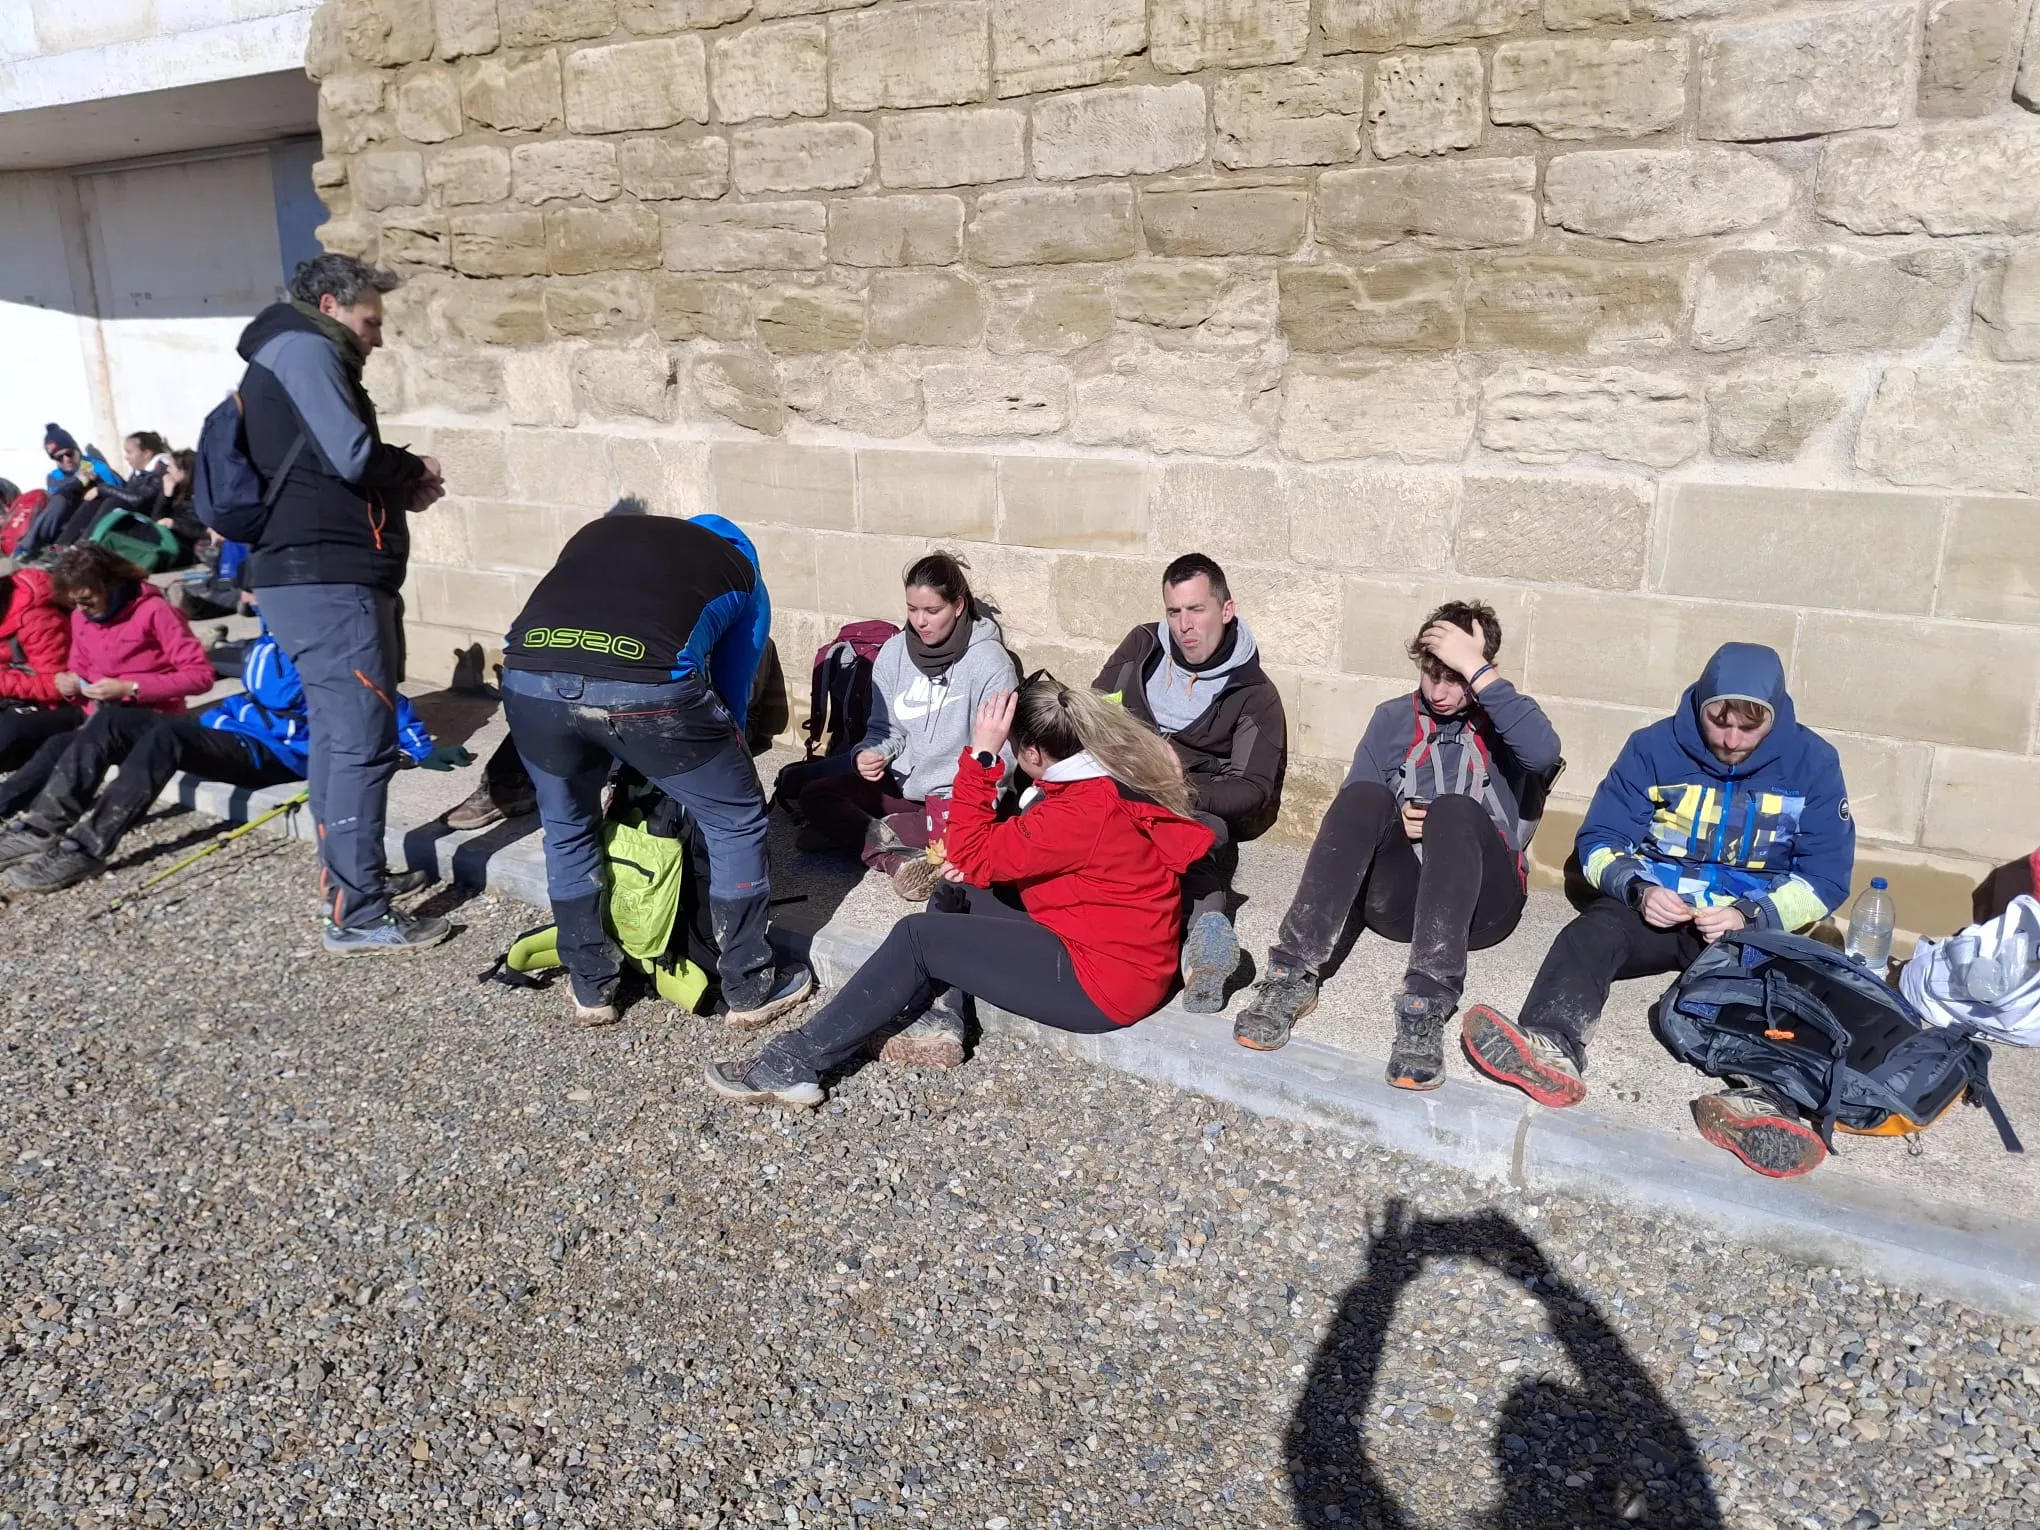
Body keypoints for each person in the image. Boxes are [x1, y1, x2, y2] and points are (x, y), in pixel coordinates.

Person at [705, 676, 1217, 1108]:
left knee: (918, 936)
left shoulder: (1080, 812)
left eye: (1018, 749)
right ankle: (936, 1015)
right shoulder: (1101, 779)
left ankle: (794, 1064)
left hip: (1105, 982)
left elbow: (969, 846)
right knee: (962, 890)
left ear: (1035, 752)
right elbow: (1001, 857)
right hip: (1106, 943)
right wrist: (976, 859)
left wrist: (981, 754)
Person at [1460, 643, 1855, 1179]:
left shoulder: (1813, 763)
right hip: (1658, 911)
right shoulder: (1651, 748)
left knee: (1792, 985)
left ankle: (1765, 1105)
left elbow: (1827, 877)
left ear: (1776, 714)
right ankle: (1551, 1044)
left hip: (1745, 926)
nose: (1732, 740)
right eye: (1719, 722)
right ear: (1701, 705)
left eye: (1749, 726)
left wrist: (1751, 915)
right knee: (1589, 936)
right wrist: (1637, 888)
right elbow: (1598, 841)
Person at [500, 502, 810, 1029]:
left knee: (567, 826)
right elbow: (730, 700)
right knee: (735, 818)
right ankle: (748, 985)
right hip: (646, 690)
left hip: (527, 678)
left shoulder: (601, 537)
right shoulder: (742, 574)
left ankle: (591, 986)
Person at [1232, 602, 1562, 1086]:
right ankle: (1291, 974)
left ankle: (1426, 1000)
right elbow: (1354, 815)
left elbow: (1544, 752)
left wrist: (1478, 668)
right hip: (1403, 898)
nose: (1442, 691)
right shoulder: (1393, 719)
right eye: (1433, 674)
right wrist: (1397, 818)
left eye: (1458, 678)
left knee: (1453, 809)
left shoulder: (1506, 722)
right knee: (1364, 795)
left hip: (1482, 910)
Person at [237, 252, 448, 955]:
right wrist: (414, 469)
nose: (378, 337)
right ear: (331, 306)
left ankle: (348, 887)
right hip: (327, 580)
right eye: (370, 321)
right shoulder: (302, 349)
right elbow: (353, 456)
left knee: (338, 739)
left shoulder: (286, 349)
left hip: (310, 575)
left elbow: (335, 464)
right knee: (361, 744)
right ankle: (358, 913)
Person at [0, 622, 442, 893]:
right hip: (232, 731)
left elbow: (387, 700)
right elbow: (248, 695)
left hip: (272, 755)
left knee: (165, 739)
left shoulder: (330, 655)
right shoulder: (271, 642)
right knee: (112, 721)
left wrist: (422, 748)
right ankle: (42, 827)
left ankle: (85, 848)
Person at [1091, 553, 1287, 1012]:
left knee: (1201, 845)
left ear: (1225, 610)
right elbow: (1097, 707)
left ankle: (1203, 953)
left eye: (1196, 610)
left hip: (1188, 806)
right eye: (1174, 612)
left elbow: (1253, 789)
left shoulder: (1253, 694)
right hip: (1118, 784)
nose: (1184, 625)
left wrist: (1181, 786)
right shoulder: (1142, 646)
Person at [797, 552, 1019, 902]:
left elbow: (1002, 756)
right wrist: (869, 754)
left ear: (958, 606)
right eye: (912, 609)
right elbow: (884, 730)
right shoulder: (893, 652)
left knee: (920, 832)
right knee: (815, 794)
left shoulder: (990, 663)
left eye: (932, 611)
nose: (920, 621)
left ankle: (861, 838)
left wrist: (966, 804)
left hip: (955, 801)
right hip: (901, 788)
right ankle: (895, 858)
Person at [0, 545, 212, 820]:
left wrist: (131, 688)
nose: (80, 609)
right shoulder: (81, 617)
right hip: (99, 712)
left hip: (151, 715)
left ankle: (45, 822)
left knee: (72, 745)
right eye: (74, 603)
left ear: (110, 583)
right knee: (60, 745)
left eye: (87, 600)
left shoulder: (156, 612)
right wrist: (72, 685)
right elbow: (79, 668)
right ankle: (26, 814)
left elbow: (201, 676)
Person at [0, 556, 80, 769]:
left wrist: (3, 681)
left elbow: (57, 686)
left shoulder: (37, 619)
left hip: (55, 705)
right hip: (15, 693)